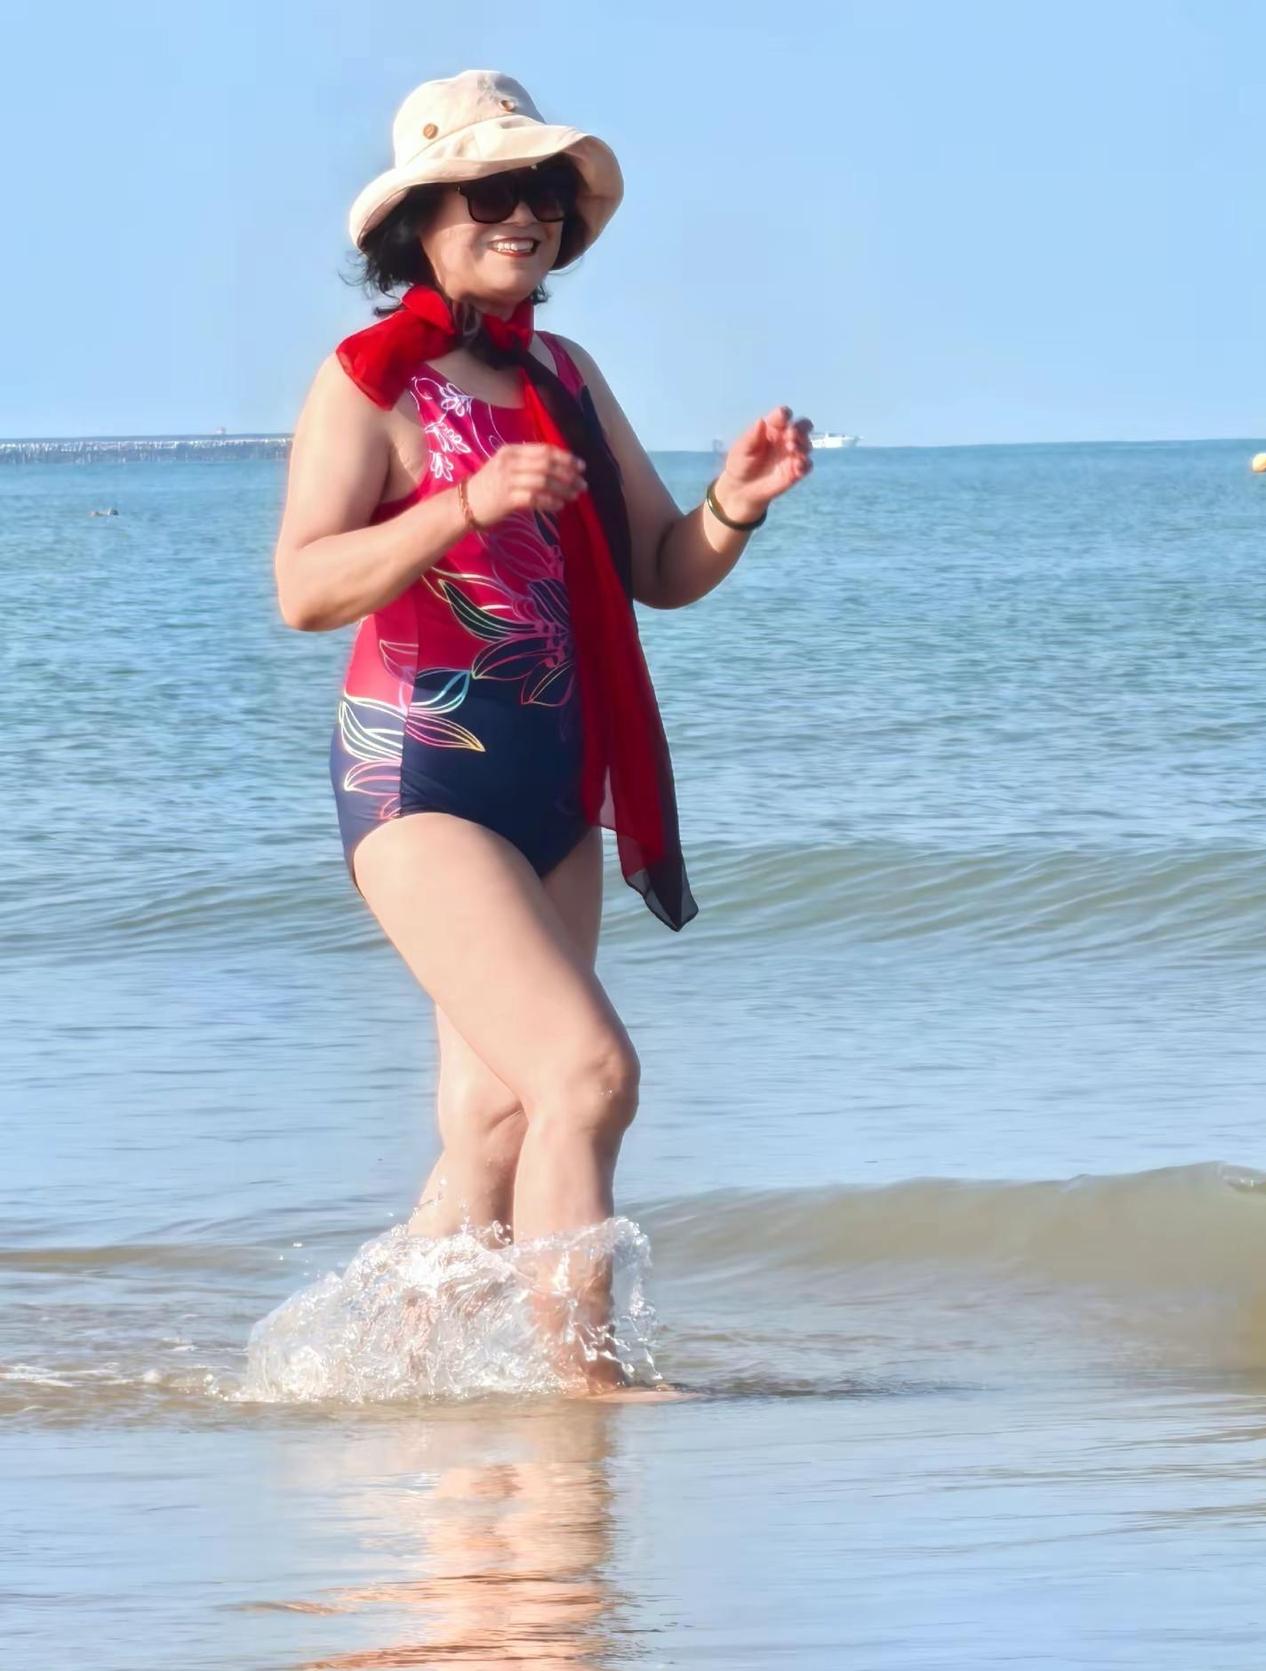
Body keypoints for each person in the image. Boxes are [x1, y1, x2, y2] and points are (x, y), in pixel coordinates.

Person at [272, 69, 813, 1390]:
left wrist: (733, 507)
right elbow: (305, 588)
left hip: (558, 786)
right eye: (494, 192)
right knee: (587, 1075)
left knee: (500, 1126)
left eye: (547, 193)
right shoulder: (370, 384)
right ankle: (587, 1384)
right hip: (420, 778)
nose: (527, 216)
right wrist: (462, 505)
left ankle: (391, 1384)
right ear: (422, 220)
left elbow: (658, 568)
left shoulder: (566, 374)